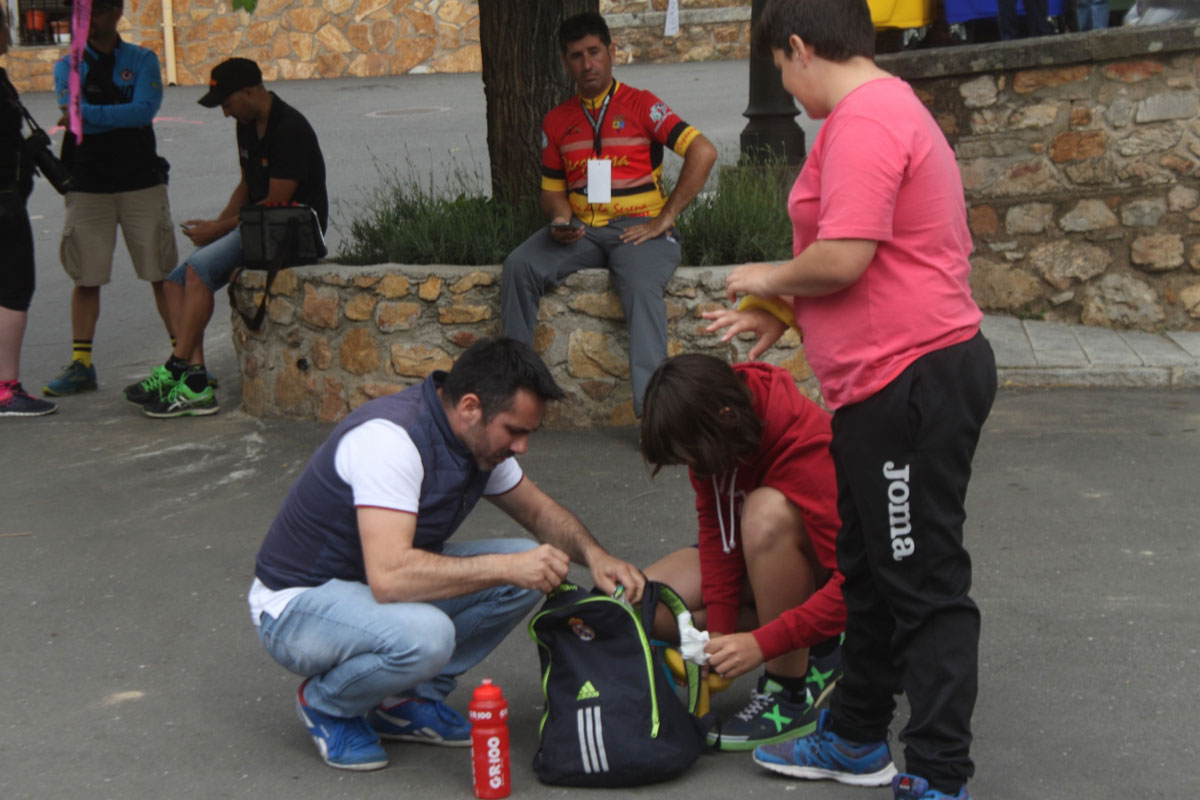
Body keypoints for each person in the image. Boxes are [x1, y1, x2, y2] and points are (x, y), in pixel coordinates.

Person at [703, 2, 997, 799]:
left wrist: (765, 276)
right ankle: (856, 738)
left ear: (799, 47)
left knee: (924, 583)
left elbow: (844, 257)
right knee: (868, 574)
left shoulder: (866, 119)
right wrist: (780, 309)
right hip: (882, 388)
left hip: (911, 383)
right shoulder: (868, 113)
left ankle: (939, 774)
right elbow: (871, 260)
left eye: (779, 67)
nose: (786, 84)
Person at [248, 337, 645, 772]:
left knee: (531, 563)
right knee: (431, 633)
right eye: (514, 430)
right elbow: (390, 578)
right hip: (297, 608)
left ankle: (403, 701)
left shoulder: (474, 441)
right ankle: (327, 703)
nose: (521, 447)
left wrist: (597, 556)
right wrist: (506, 568)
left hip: (367, 592)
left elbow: (537, 511)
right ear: (471, 407)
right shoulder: (392, 441)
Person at [500, 12, 717, 418]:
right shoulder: (557, 120)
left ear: (611, 51)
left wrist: (664, 218)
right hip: (582, 231)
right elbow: (552, 193)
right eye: (576, 56)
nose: (588, 64)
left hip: (640, 232)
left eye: (594, 52)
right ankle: (515, 399)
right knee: (519, 266)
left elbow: (703, 152)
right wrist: (560, 219)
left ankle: (654, 418)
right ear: (565, 63)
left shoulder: (643, 104)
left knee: (640, 287)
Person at [639, 354, 845, 752]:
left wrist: (760, 646)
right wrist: (718, 634)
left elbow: (860, 586)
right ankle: (818, 643)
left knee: (763, 513)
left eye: (692, 458)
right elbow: (716, 532)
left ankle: (788, 691)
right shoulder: (712, 426)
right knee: (647, 602)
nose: (693, 468)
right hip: (756, 560)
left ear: (727, 417)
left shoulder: (808, 445)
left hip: (821, 570)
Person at [124, 57, 327, 418]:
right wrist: (217, 228)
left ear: (249, 92)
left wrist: (219, 231)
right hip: (259, 225)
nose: (226, 113)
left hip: (290, 233)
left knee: (198, 271)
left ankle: (176, 369)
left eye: (228, 104)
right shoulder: (246, 125)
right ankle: (195, 380)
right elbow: (247, 185)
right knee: (173, 282)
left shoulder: (290, 129)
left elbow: (276, 202)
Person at [43, 0, 178, 397]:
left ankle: (185, 359)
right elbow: (77, 114)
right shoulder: (68, 66)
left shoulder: (142, 60)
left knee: (161, 274)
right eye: (79, 11)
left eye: (96, 10)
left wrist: (89, 115)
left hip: (141, 181)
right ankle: (81, 364)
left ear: (117, 12)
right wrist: (105, 114)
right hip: (87, 184)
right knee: (86, 277)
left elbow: (143, 112)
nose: (85, 20)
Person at [0, 11, 56, 417]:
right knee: (14, 289)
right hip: (4, 202)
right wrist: (24, 152)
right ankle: (6, 388)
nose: (9, 32)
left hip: (9, 194)